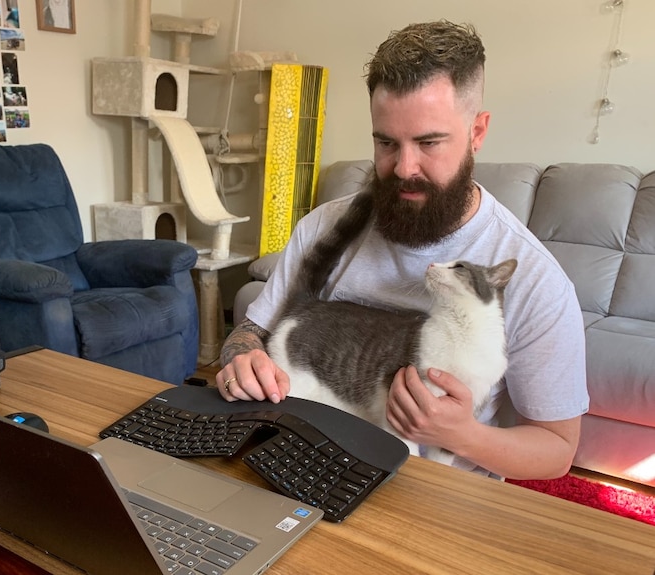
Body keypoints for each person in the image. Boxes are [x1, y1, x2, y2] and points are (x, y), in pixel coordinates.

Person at [215, 21, 589, 481]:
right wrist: (240, 359)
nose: (404, 167)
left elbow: (556, 451)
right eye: (386, 142)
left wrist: (462, 435)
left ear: (477, 132)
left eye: (429, 142)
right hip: (307, 458)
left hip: (435, 491)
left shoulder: (534, 279)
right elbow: (250, 331)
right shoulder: (323, 226)